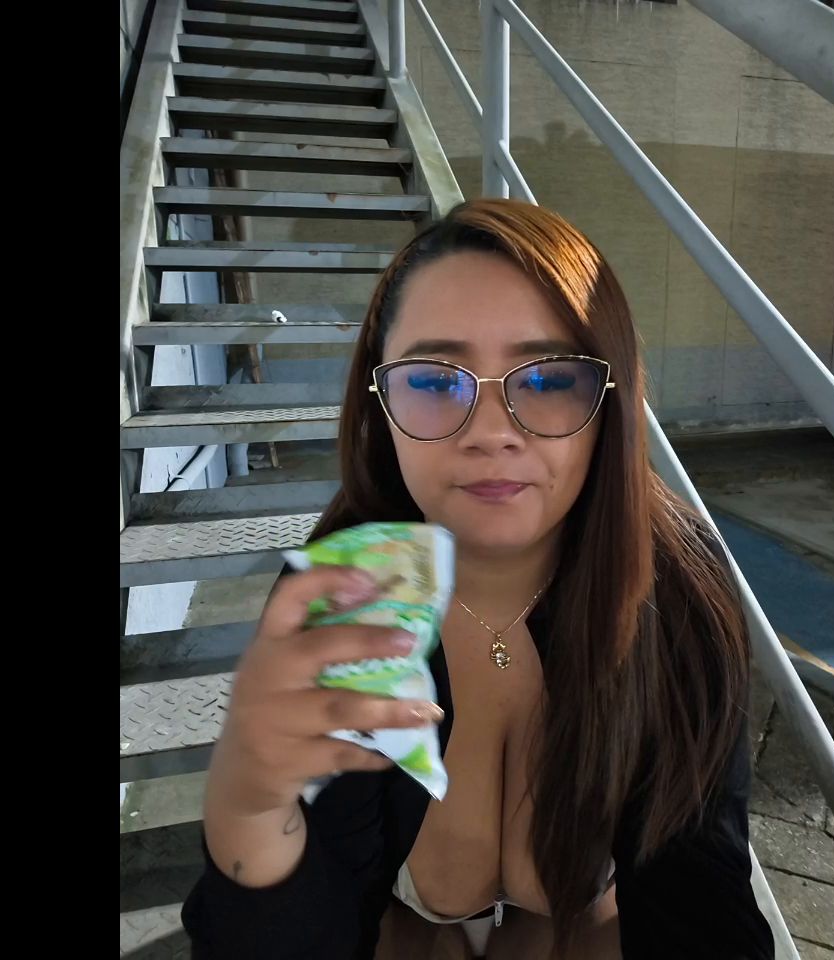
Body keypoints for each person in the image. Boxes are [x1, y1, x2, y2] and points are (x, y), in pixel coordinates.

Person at [182, 199, 775, 959]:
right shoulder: (348, 591)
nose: (493, 432)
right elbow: (294, 923)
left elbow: (700, 890)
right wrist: (248, 813)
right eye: (434, 382)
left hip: (585, 922)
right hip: (407, 924)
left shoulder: (679, 585)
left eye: (549, 378)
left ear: (611, 401)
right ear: (380, 401)